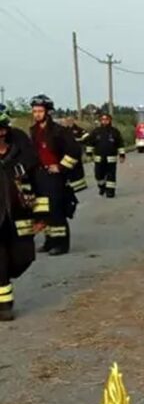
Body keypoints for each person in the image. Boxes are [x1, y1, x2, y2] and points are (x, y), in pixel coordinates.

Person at [0, 104, 39, 320]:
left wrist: (43, 215)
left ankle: (6, 275)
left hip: (20, 215)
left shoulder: (21, 148)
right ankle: (4, 306)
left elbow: (37, 177)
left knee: (23, 257)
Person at [29, 95, 81, 256]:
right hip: (39, 175)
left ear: (48, 112)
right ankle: (49, 241)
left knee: (56, 210)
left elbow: (74, 152)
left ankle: (61, 244)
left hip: (54, 177)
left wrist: (60, 167)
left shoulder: (59, 131)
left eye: (40, 111)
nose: (37, 114)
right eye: (34, 111)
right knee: (43, 210)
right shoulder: (33, 131)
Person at [86, 112, 126, 197]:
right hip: (99, 158)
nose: (105, 121)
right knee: (98, 175)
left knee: (111, 175)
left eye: (106, 119)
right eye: (103, 120)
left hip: (111, 158)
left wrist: (122, 155)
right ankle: (102, 186)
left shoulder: (115, 132)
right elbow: (90, 143)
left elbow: (120, 144)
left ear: (110, 120)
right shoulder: (96, 132)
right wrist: (89, 154)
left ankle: (110, 191)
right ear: (100, 121)